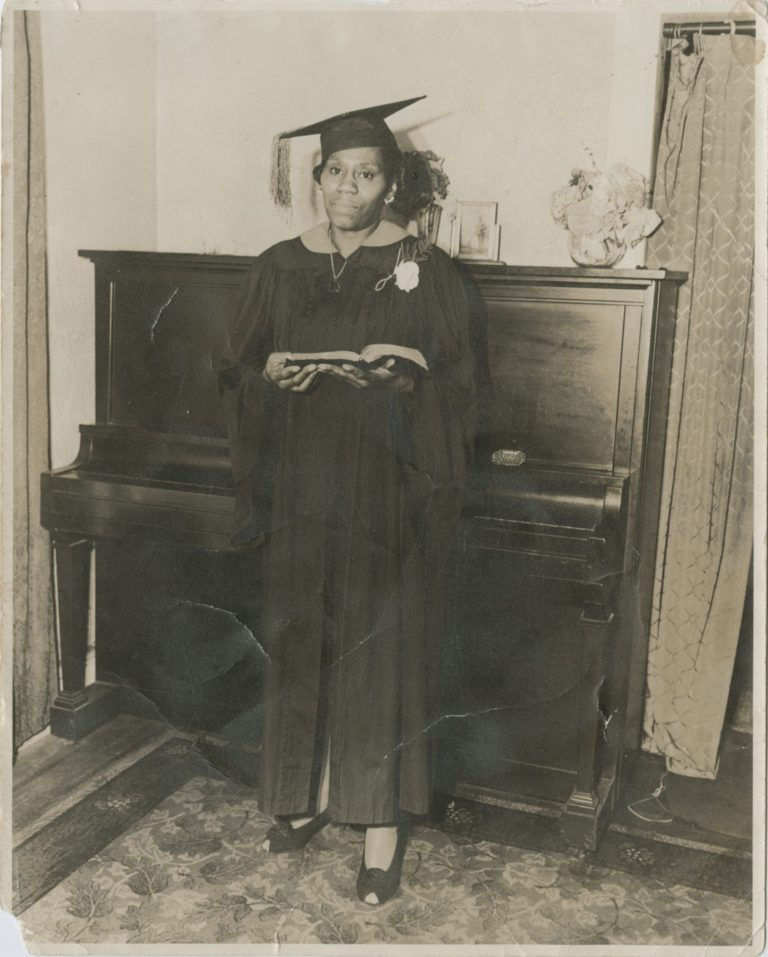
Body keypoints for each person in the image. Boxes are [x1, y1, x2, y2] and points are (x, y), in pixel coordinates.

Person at [217, 96, 475, 905]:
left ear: (390, 182)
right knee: (301, 640)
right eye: (336, 172)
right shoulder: (278, 264)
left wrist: (400, 377)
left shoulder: (425, 268)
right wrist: (267, 376)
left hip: (381, 486)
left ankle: (379, 832)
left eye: (367, 174)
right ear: (316, 176)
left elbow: (461, 380)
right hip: (300, 478)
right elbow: (235, 366)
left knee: (374, 652)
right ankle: (301, 798)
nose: (349, 188)